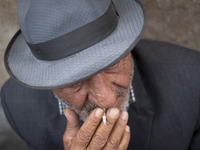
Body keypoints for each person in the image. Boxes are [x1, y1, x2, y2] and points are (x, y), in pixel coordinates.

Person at [1, 0, 200, 150]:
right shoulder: (17, 105)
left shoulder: (193, 82)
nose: (107, 99)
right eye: (75, 81)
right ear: (45, 77)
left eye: (112, 62)